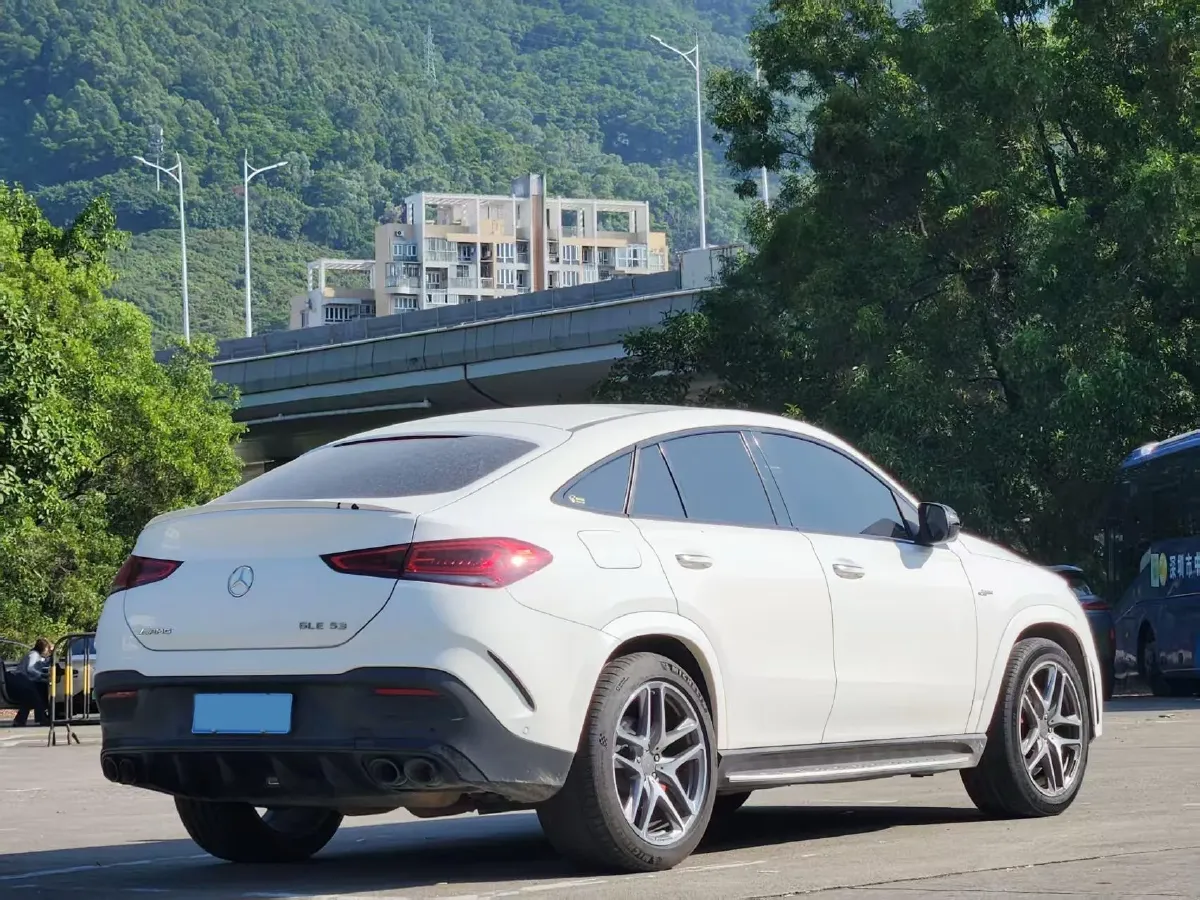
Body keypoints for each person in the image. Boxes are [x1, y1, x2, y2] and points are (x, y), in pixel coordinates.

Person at [12, 638, 53, 727]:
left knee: (28, 700)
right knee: (36, 696)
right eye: (47, 648)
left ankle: (19, 720)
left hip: (27, 681)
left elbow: (43, 664)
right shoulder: (33, 655)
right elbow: (30, 669)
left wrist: (51, 656)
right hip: (23, 680)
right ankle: (41, 718)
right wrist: (42, 675)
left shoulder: (38, 656)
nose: (47, 650)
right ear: (43, 648)